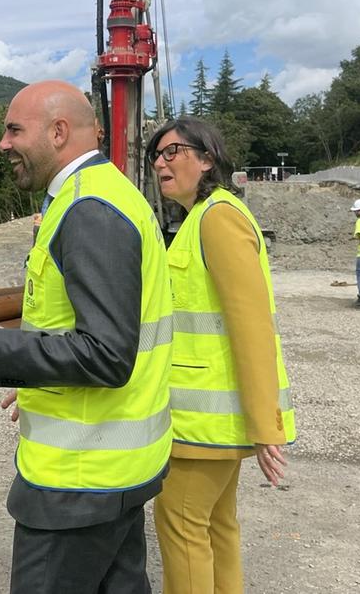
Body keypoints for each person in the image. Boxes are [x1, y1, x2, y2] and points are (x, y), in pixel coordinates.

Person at [0, 80, 173, 594]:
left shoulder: (88, 210)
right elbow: (82, 330)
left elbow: (107, 354)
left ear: (58, 132)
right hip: (113, 469)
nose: (3, 144)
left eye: (14, 129)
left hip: (79, 481)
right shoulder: (99, 196)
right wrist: (38, 376)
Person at [146, 117, 296, 594]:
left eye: (173, 152)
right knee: (216, 524)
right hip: (210, 418)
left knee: (182, 521)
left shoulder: (217, 217)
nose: (160, 162)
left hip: (207, 419)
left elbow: (250, 325)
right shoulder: (199, 219)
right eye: (156, 154)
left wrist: (264, 426)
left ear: (207, 159)